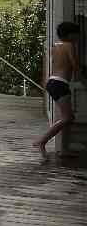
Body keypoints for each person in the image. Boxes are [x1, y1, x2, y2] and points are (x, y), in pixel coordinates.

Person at [35, 22, 82, 160]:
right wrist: (83, 79)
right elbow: (74, 64)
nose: (79, 36)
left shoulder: (55, 46)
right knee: (67, 118)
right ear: (71, 35)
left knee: (67, 118)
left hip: (53, 82)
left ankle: (64, 150)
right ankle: (42, 141)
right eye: (77, 34)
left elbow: (56, 64)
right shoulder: (69, 45)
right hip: (60, 83)